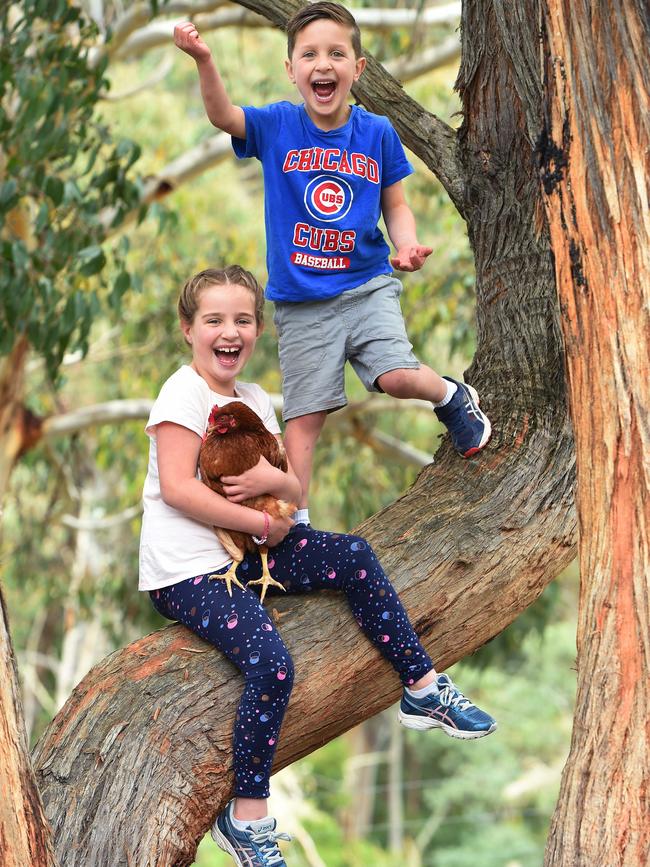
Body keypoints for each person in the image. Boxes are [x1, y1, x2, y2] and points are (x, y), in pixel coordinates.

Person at [139, 265, 497, 867]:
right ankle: (246, 817)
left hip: (256, 553)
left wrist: (272, 494)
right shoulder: (183, 393)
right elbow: (177, 488)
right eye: (214, 320)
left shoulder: (254, 398)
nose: (231, 332)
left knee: (353, 554)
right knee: (274, 665)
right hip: (189, 573)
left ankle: (422, 688)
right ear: (188, 329)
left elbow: (289, 488)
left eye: (244, 320)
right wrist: (263, 521)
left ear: (258, 330)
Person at [173, 2, 492, 528]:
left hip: (367, 286)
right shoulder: (277, 125)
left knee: (395, 377)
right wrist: (204, 59)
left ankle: (452, 395)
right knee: (303, 424)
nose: (323, 64)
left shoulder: (377, 133)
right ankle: (296, 525)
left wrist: (406, 245)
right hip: (302, 306)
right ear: (291, 69)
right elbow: (223, 116)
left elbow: (396, 203)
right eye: (310, 55)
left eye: (337, 53)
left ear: (358, 69)